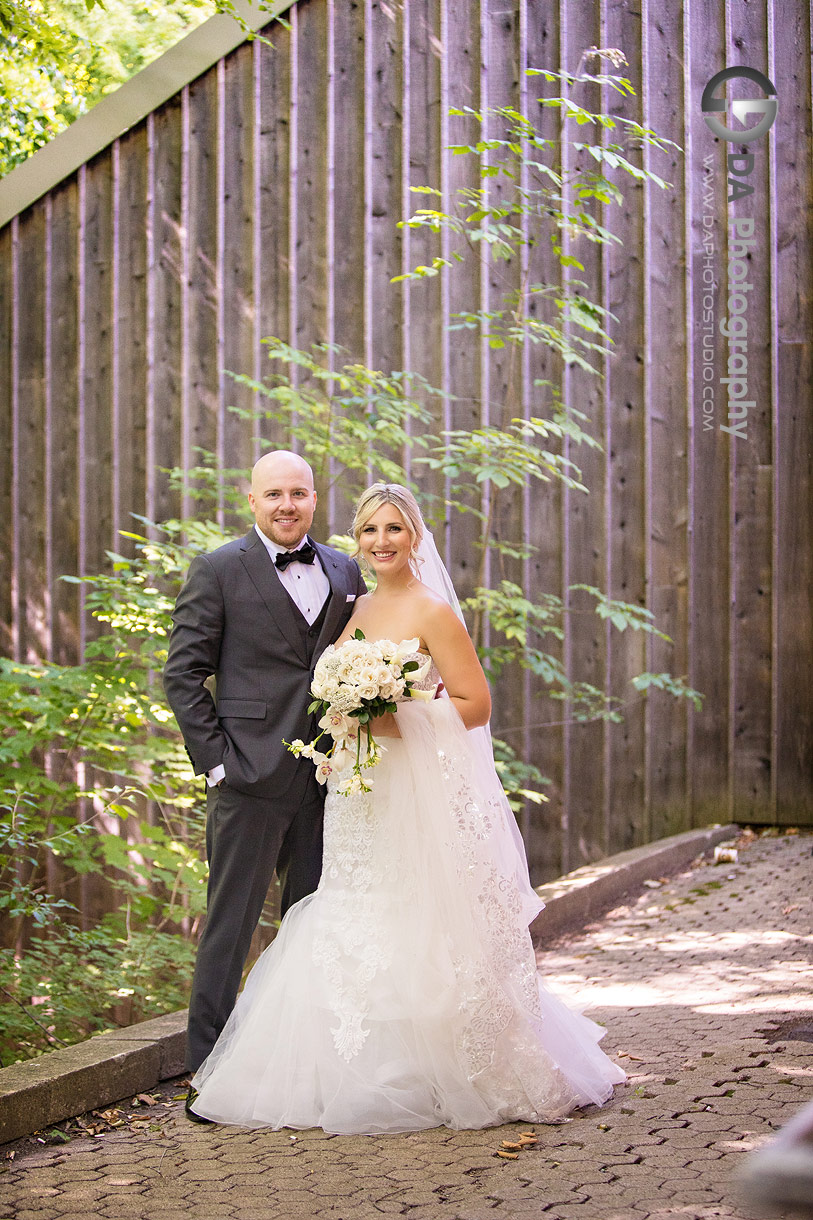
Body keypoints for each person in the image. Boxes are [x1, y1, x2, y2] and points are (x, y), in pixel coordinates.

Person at [188, 483, 626, 1133]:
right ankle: (344, 1063)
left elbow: (475, 705)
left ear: (414, 536)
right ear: (355, 541)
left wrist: (402, 714)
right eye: (368, 530)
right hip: (354, 790)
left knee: (416, 918)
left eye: (393, 529)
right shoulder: (354, 607)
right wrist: (345, 717)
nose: (380, 541)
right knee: (351, 911)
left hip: (409, 787)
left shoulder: (431, 612)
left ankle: (437, 1064)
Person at [163, 450, 367, 1119]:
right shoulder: (219, 569)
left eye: (299, 493)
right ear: (251, 500)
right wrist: (217, 763)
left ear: (314, 499)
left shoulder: (344, 569)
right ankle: (207, 1070)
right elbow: (182, 673)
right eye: (274, 493)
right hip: (247, 779)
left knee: (313, 925)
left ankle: (304, 1061)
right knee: (230, 927)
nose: (287, 505)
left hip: (326, 780)